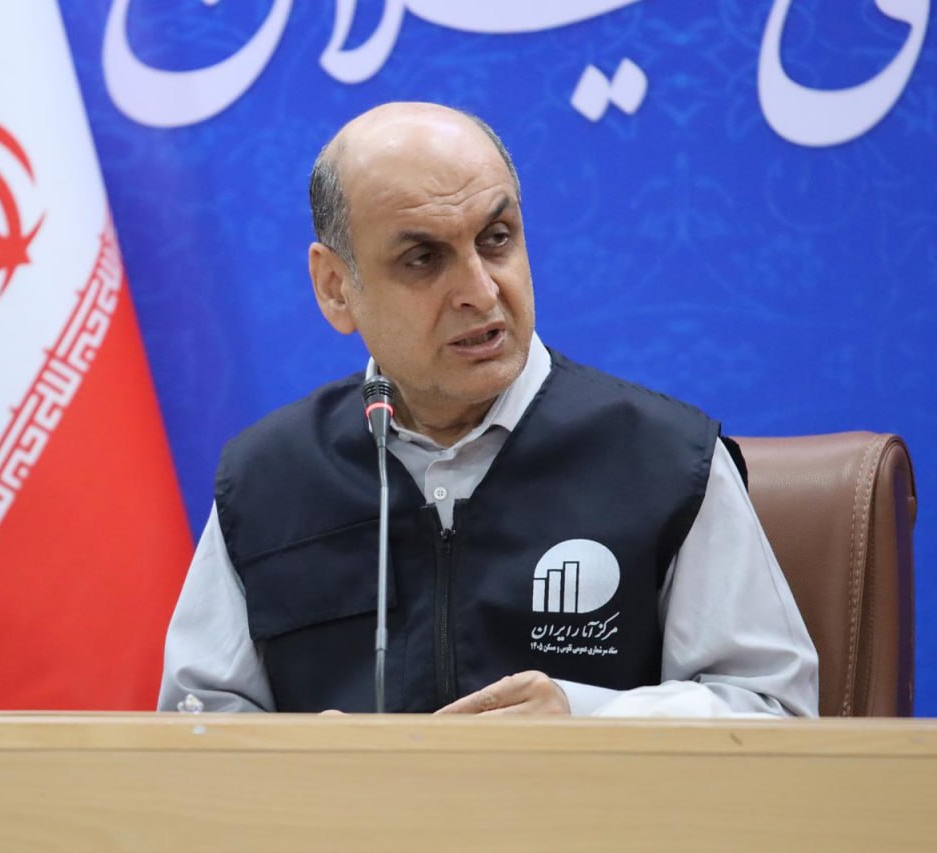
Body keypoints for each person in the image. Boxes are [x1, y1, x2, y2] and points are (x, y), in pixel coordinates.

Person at [158, 102, 818, 716]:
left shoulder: (667, 461)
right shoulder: (268, 480)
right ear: (336, 287)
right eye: (423, 259)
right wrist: (296, 760)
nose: (479, 289)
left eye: (497, 238)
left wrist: (590, 719)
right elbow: (195, 728)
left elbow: (775, 712)